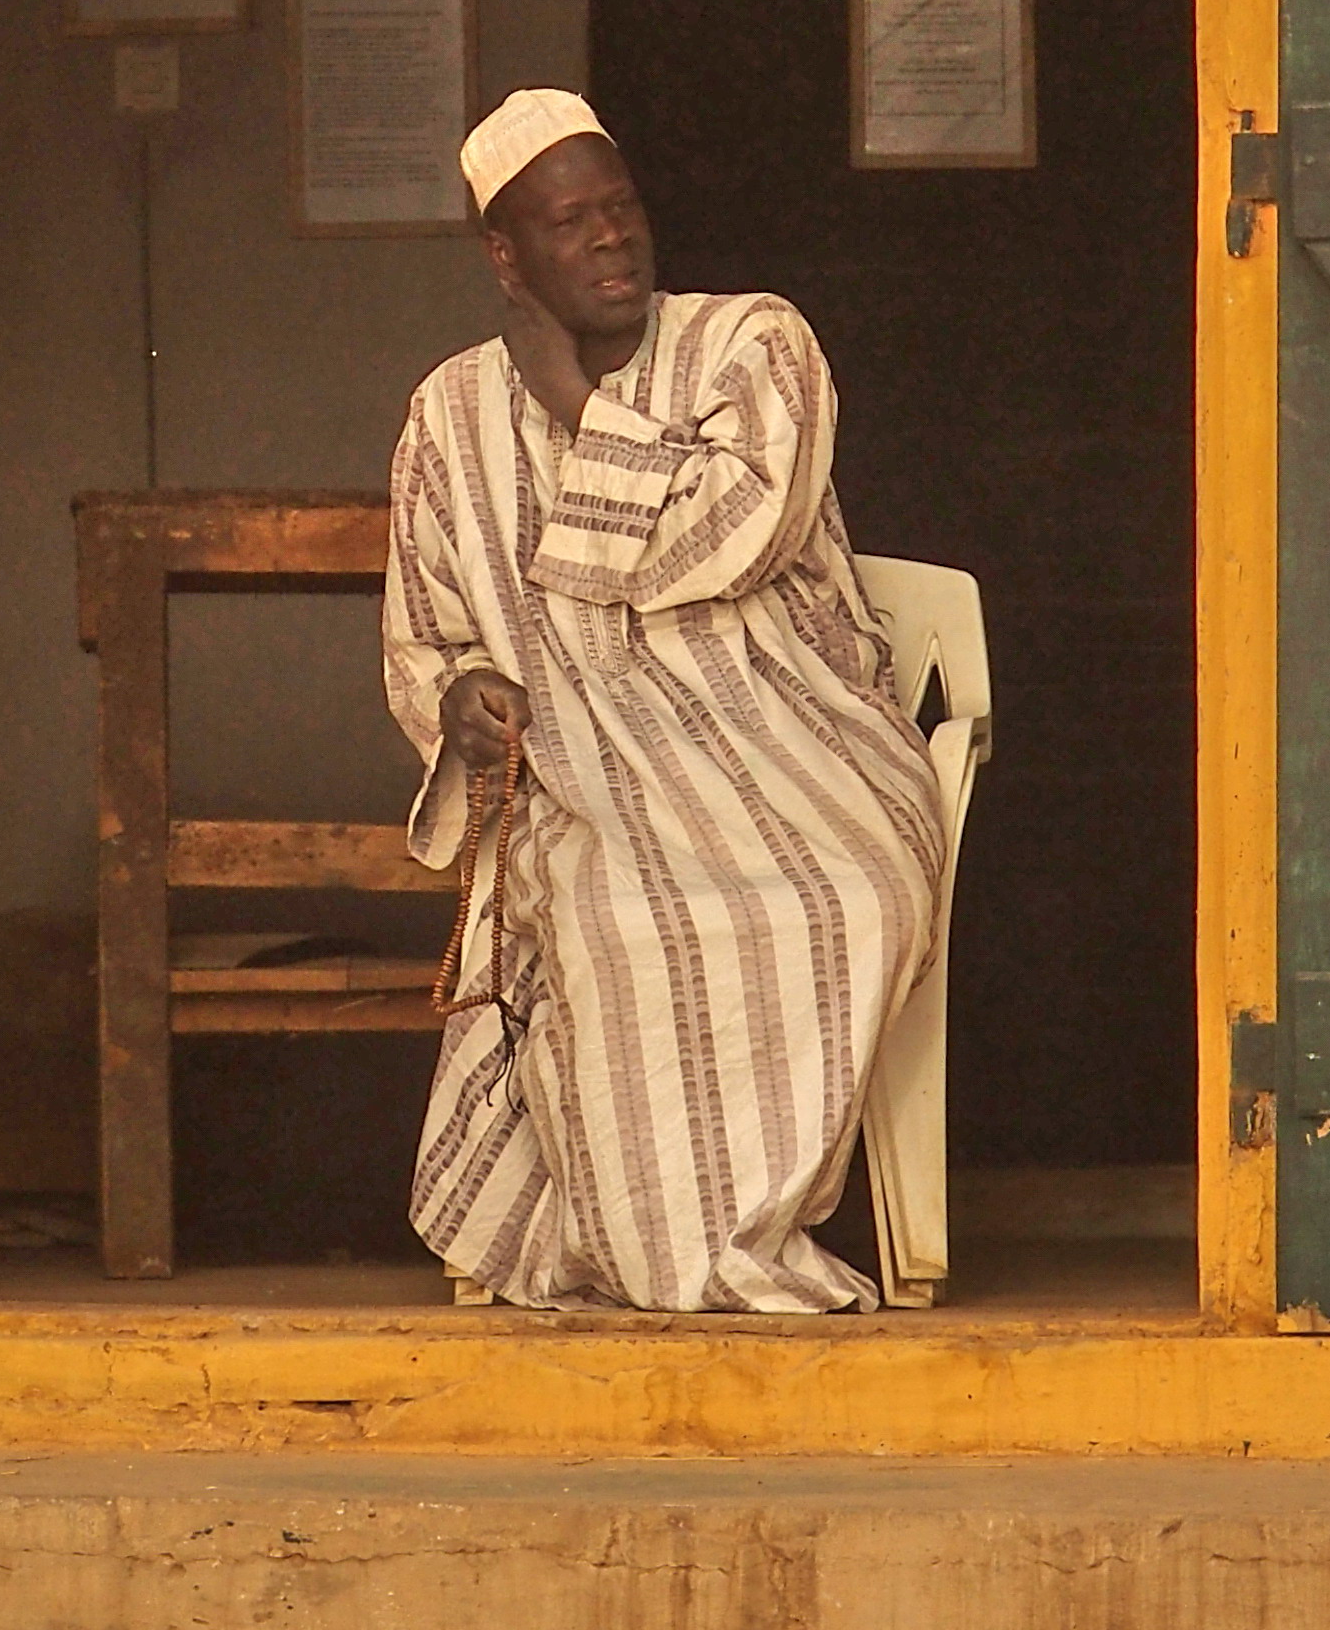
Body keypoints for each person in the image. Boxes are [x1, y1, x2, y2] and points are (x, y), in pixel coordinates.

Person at [382, 88, 947, 1312]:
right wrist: (462, 697)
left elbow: (736, 532)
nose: (608, 240)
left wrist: (577, 406)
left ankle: (716, 1245)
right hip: (589, 779)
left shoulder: (754, 342)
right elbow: (425, 631)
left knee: (843, 896)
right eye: (568, 221)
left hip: (807, 752)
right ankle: (669, 1252)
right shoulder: (447, 412)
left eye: (621, 209)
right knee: (605, 919)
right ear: (505, 253)